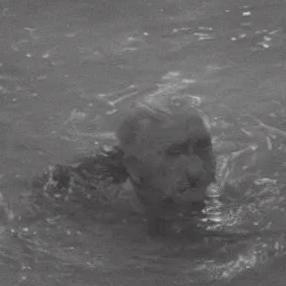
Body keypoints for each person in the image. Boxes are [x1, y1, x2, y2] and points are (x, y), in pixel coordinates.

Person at [30, 97, 217, 237]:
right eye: (175, 153)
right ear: (135, 168)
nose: (196, 170)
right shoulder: (95, 210)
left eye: (203, 146)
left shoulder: (232, 192)